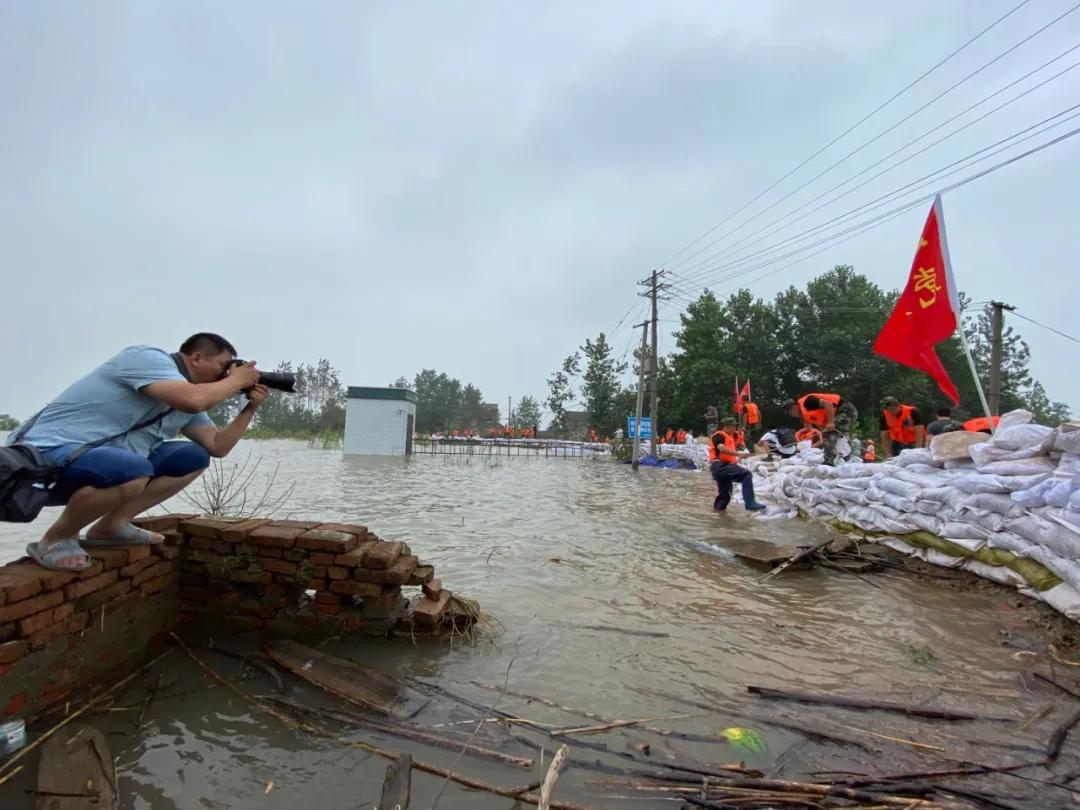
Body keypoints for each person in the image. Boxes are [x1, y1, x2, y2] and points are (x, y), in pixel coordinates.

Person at [11, 334, 266, 572]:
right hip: (44, 457)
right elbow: (193, 399)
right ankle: (57, 538)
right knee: (133, 469)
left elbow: (217, 446)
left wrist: (250, 409)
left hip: (105, 468)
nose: (226, 373)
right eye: (223, 365)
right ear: (196, 358)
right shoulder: (146, 358)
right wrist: (236, 381)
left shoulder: (186, 398)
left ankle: (111, 526)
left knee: (193, 457)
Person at [783, 393, 858, 466]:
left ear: (794, 407)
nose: (791, 416)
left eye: (789, 413)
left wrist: (830, 422)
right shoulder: (805, 414)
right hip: (837, 413)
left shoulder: (808, 402)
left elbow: (828, 404)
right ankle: (845, 456)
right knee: (835, 435)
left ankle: (830, 460)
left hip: (846, 409)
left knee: (830, 433)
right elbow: (817, 425)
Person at [709, 418, 767, 512]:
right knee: (746, 474)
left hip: (722, 467)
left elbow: (729, 455)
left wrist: (741, 456)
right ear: (727, 427)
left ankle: (718, 513)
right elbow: (721, 448)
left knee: (725, 496)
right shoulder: (719, 435)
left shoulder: (730, 437)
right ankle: (750, 503)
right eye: (733, 427)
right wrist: (739, 454)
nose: (735, 429)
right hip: (720, 466)